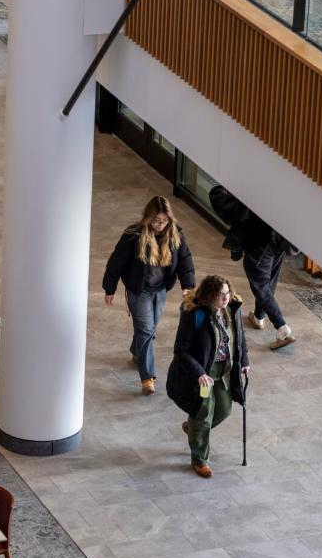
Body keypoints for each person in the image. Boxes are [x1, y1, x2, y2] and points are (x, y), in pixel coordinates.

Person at [103, 196, 196, 396]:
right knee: (146, 330)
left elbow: (185, 260)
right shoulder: (133, 234)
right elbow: (116, 261)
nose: (160, 225)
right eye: (156, 221)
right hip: (139, 289)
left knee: (149, 327)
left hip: (161, 288)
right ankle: (147, 377)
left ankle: (137, 351)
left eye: (163, 221)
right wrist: (109, 288)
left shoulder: (176, 234)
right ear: (147, 218)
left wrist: (188, 285)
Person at [166, 274, 249, 478]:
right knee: (203, 415)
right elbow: (181, 351)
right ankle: (200, 460)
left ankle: (193, 428)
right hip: (203, 374)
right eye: (221, 295)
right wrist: (200, 373)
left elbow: (240, 338)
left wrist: (244, 361)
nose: (226, 298)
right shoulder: (195, 314)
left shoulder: (232, 309)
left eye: (227, 293)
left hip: (225, 372)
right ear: (209, 295)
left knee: (224, 409)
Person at [207, 185, 296, 349]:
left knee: (261, 284)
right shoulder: (262, 185)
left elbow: (237, 218)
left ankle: (283, 328)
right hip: (279, 238)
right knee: (268, 282)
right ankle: (258, 317)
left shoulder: (238, 196)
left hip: (260, 239)